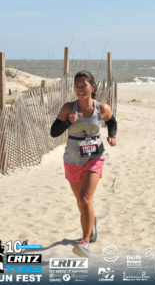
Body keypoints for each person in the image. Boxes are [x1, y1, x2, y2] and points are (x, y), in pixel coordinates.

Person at [50, 71, 117, 257]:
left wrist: (112, 136)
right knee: (81, 201)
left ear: (92, 87)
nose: (80, 87)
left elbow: (112, 122)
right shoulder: (68, 108)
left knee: (85, 198)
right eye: (77, 84)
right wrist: (66, 123)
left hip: (95, 156)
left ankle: (85, 242)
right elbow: (53, 132)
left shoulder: (102, 108)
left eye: (84, 84)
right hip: (72, 158)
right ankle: (92, 221)